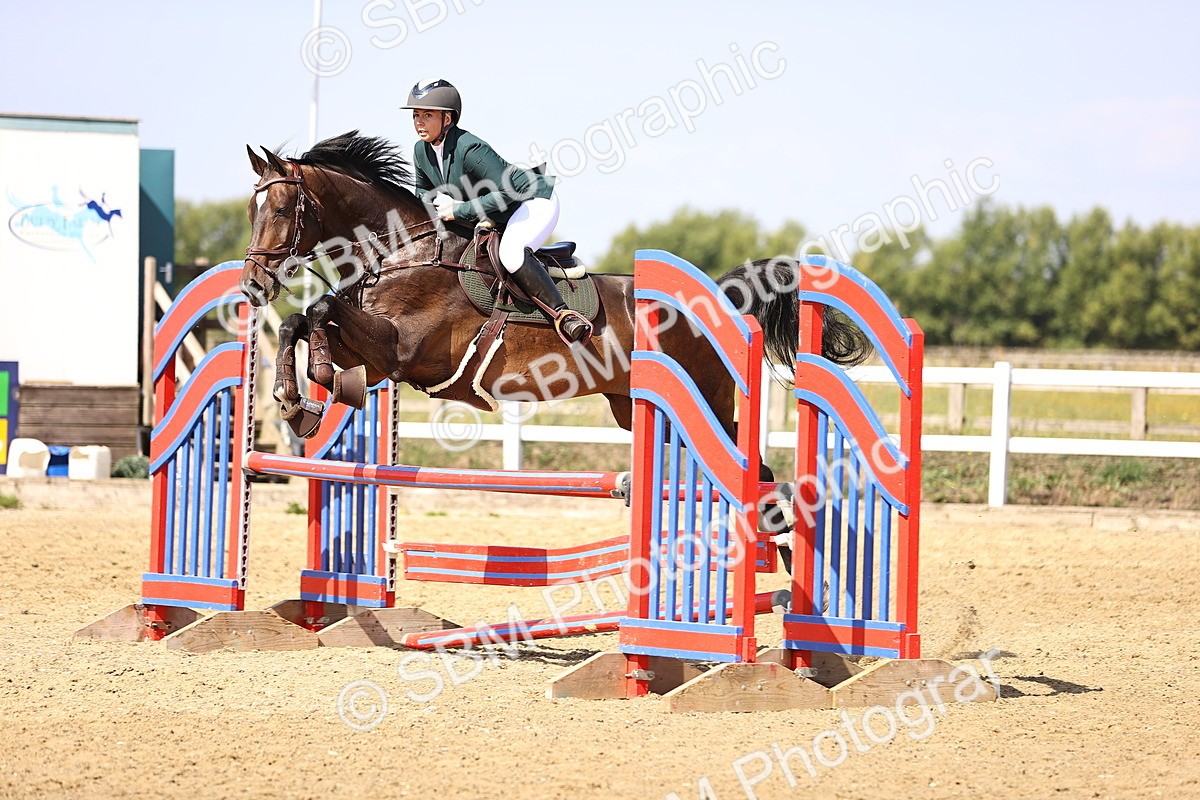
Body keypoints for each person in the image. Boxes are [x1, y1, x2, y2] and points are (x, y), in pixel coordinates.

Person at [402, 78, 592, 345]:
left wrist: (459, 209)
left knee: (511, 253)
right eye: (416, 115)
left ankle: (565, 316)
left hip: (532, 202)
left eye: (427, 115)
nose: (419, 122)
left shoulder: (469, 147)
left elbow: (506, 194)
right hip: (496, 212)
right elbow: (421, 191)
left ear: (447, 119)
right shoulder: (420, 150)